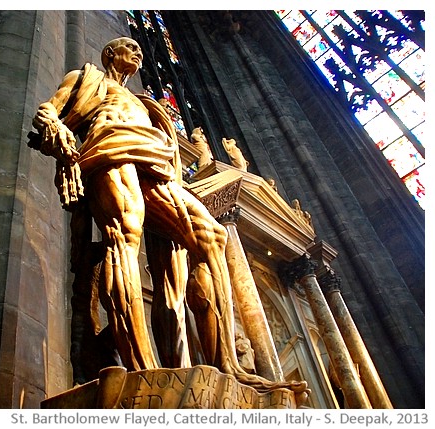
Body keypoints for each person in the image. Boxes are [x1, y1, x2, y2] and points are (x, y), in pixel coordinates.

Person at [29, 37, 307, 393]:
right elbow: (48, 110)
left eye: (139, 48)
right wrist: (58, 134)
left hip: (155, 164)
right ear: (110, 53)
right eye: (130, 46)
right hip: (110, 150)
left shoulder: (146, 103)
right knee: (124, 236)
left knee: (212, 237)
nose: (139, 51)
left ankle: (227, 365)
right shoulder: (86, 78)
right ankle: (141, 369)